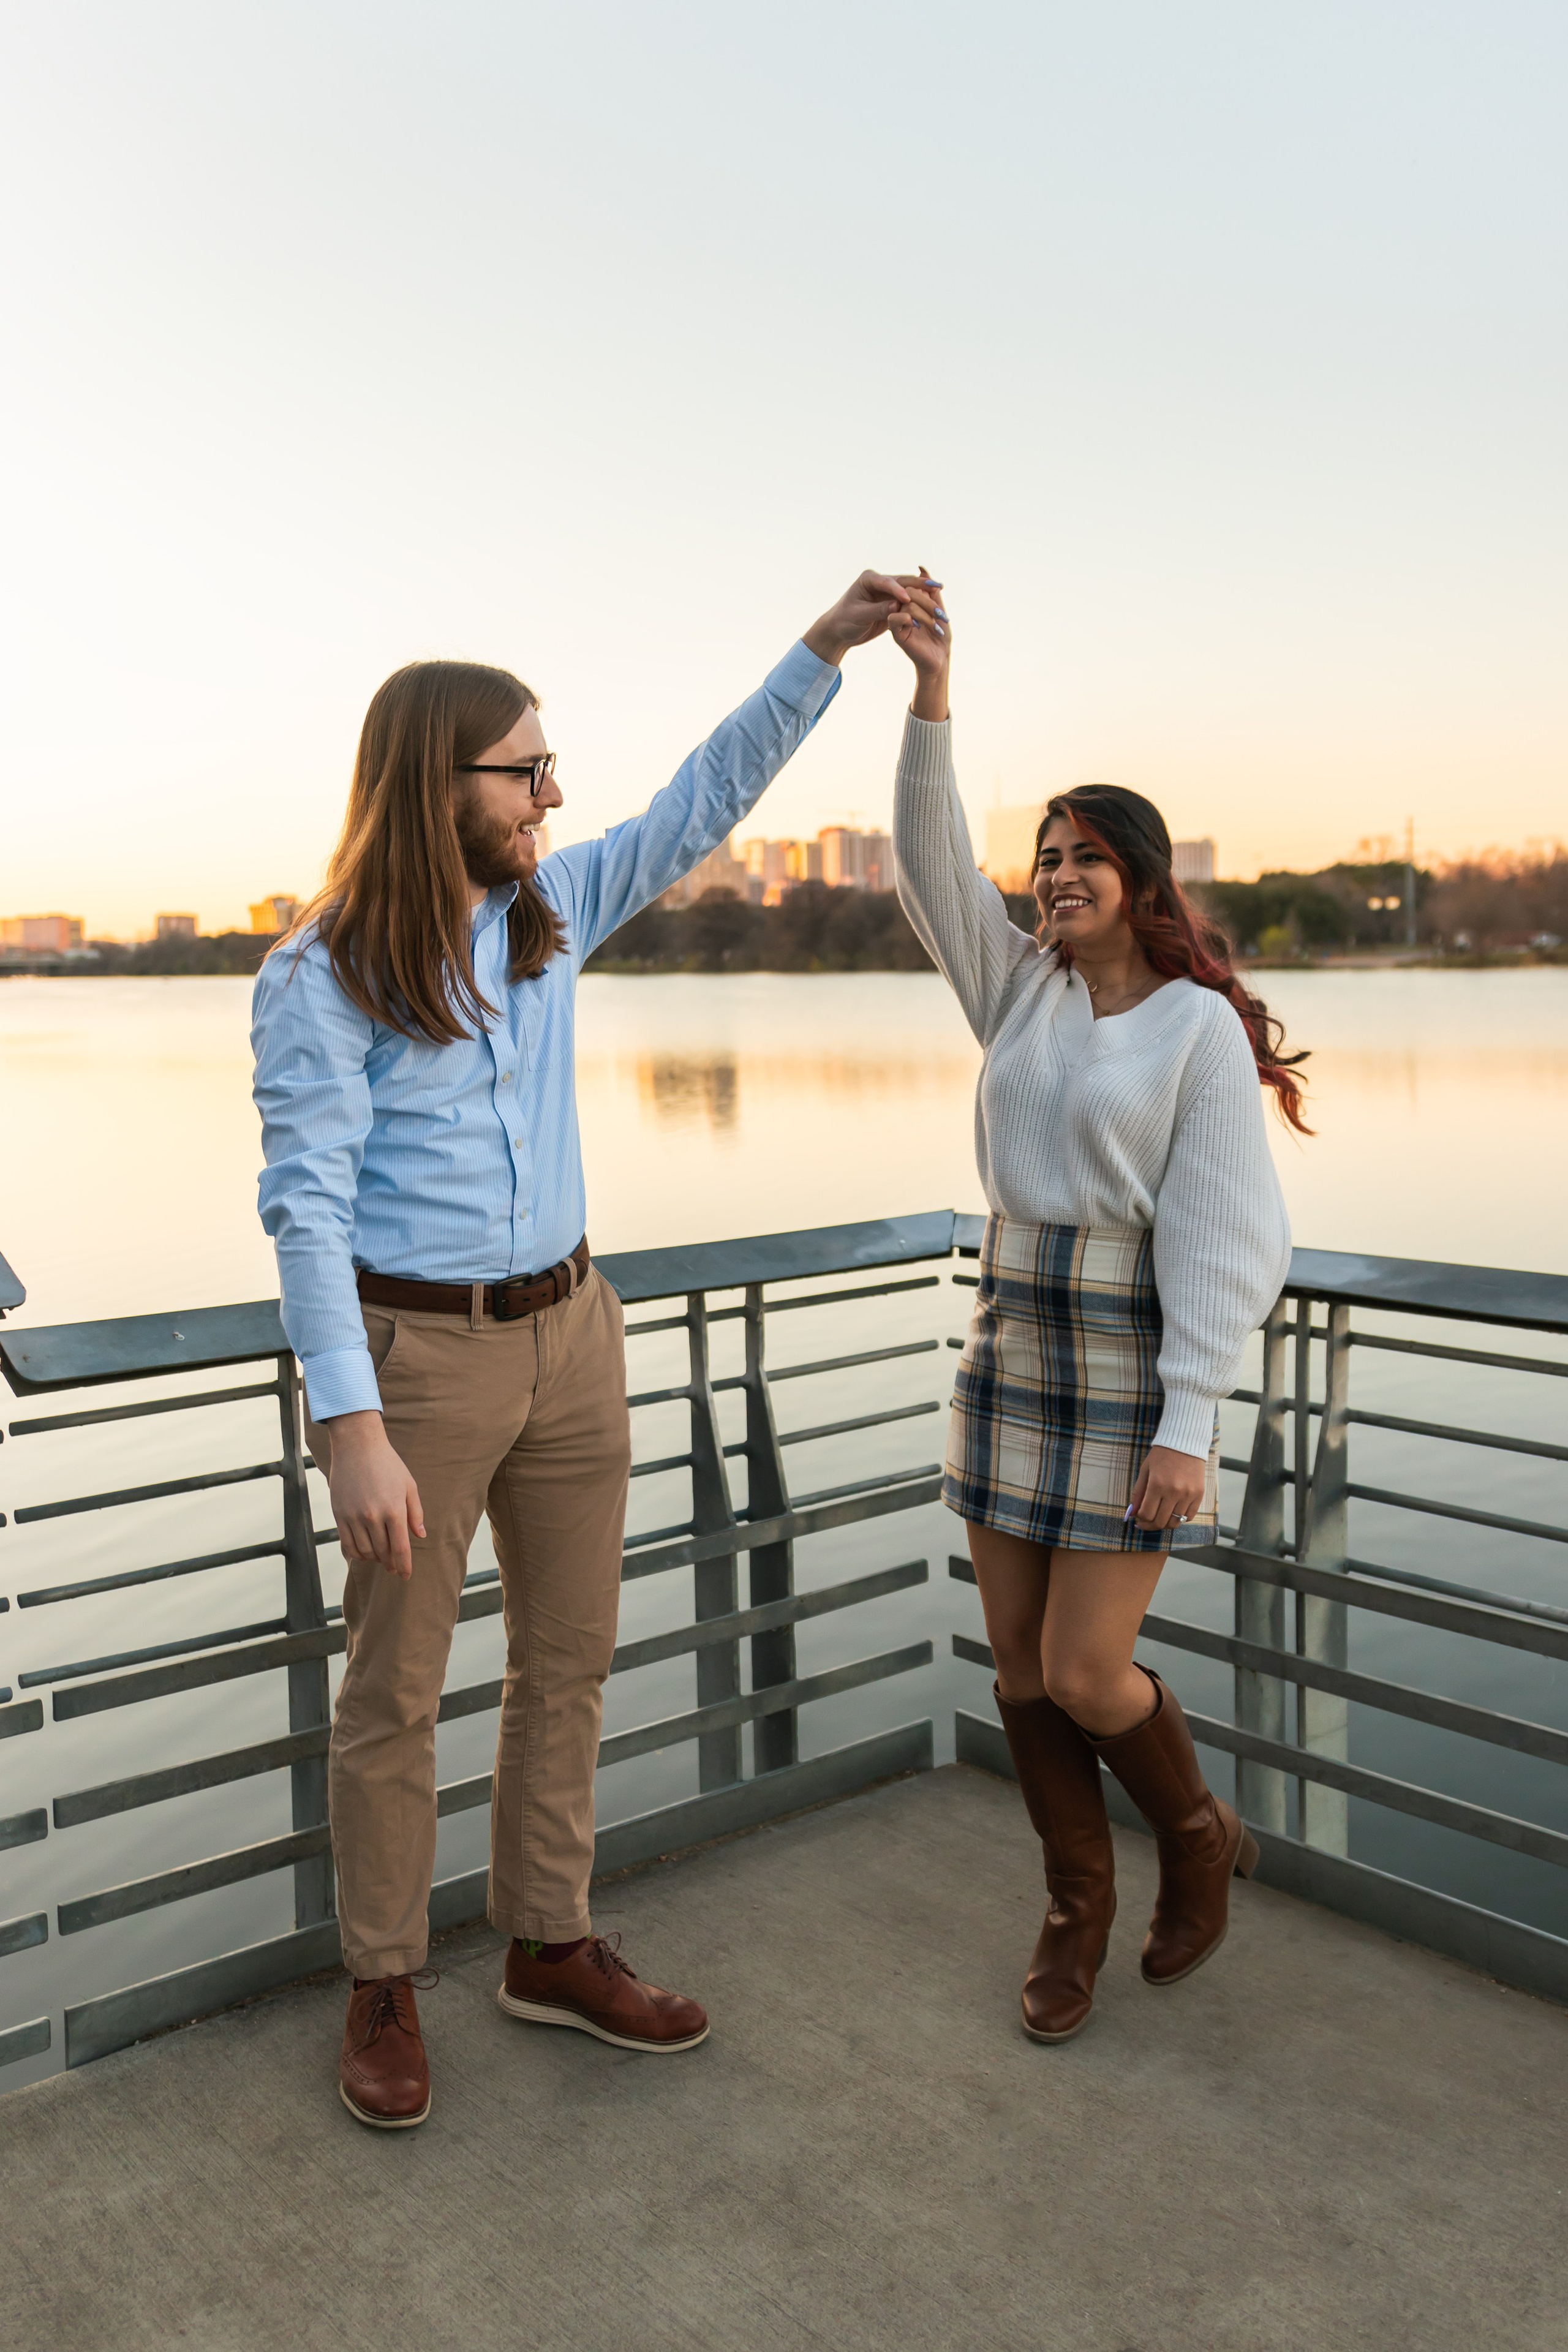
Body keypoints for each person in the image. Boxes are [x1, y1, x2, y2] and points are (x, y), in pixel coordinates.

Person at [252, 567, 938, 2128]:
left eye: (551, 764)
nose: (554, 790)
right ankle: (382, 1983)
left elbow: (701, 799)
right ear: (437, 786)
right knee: (396, 1695)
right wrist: (348, 1423)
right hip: (415, 1366)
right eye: (525, 768)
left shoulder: (547, 926)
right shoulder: (319, 975)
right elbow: (302, 1211)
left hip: (575, 1335)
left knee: (567, 1662)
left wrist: (822, 647)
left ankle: (546, 1945)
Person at [888, 576, 1305, 2044]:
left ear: (1137, 874)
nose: (1055, 875)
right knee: (1011, 1665)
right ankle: (1075, 1905)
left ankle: (1193, 1839)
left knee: (1083, 1667)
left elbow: (1219, 1235)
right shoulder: (1020, 993)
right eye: (1043, 855)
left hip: (1128, 1361)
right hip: (1010, 1341)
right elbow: (928, 869)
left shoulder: (1192, 1027)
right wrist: (932, 695)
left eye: (1081, 857)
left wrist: (1189, 1420)